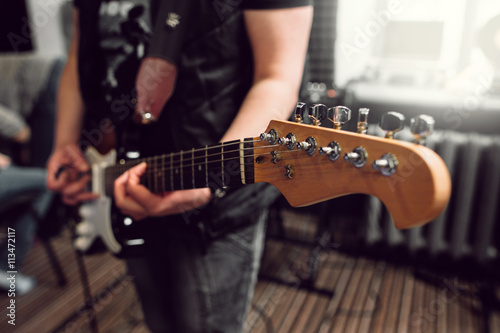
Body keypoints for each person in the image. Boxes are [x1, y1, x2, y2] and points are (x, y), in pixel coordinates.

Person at [47, 1, 312, 331]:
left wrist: (212, 178)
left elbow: (277, 78)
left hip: (216, 201)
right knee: (159, 320)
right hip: (123, 179)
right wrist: (65, 142)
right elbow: (79, 55)